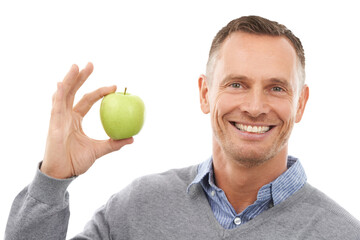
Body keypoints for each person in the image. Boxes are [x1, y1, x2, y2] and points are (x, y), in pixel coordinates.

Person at [5, 15, 360, 239]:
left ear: (300, 103)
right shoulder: (138, 208)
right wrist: (52, 179)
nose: (254, 107)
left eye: (277, 88)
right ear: (205, 94)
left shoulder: (341, 233)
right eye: (236, 84)